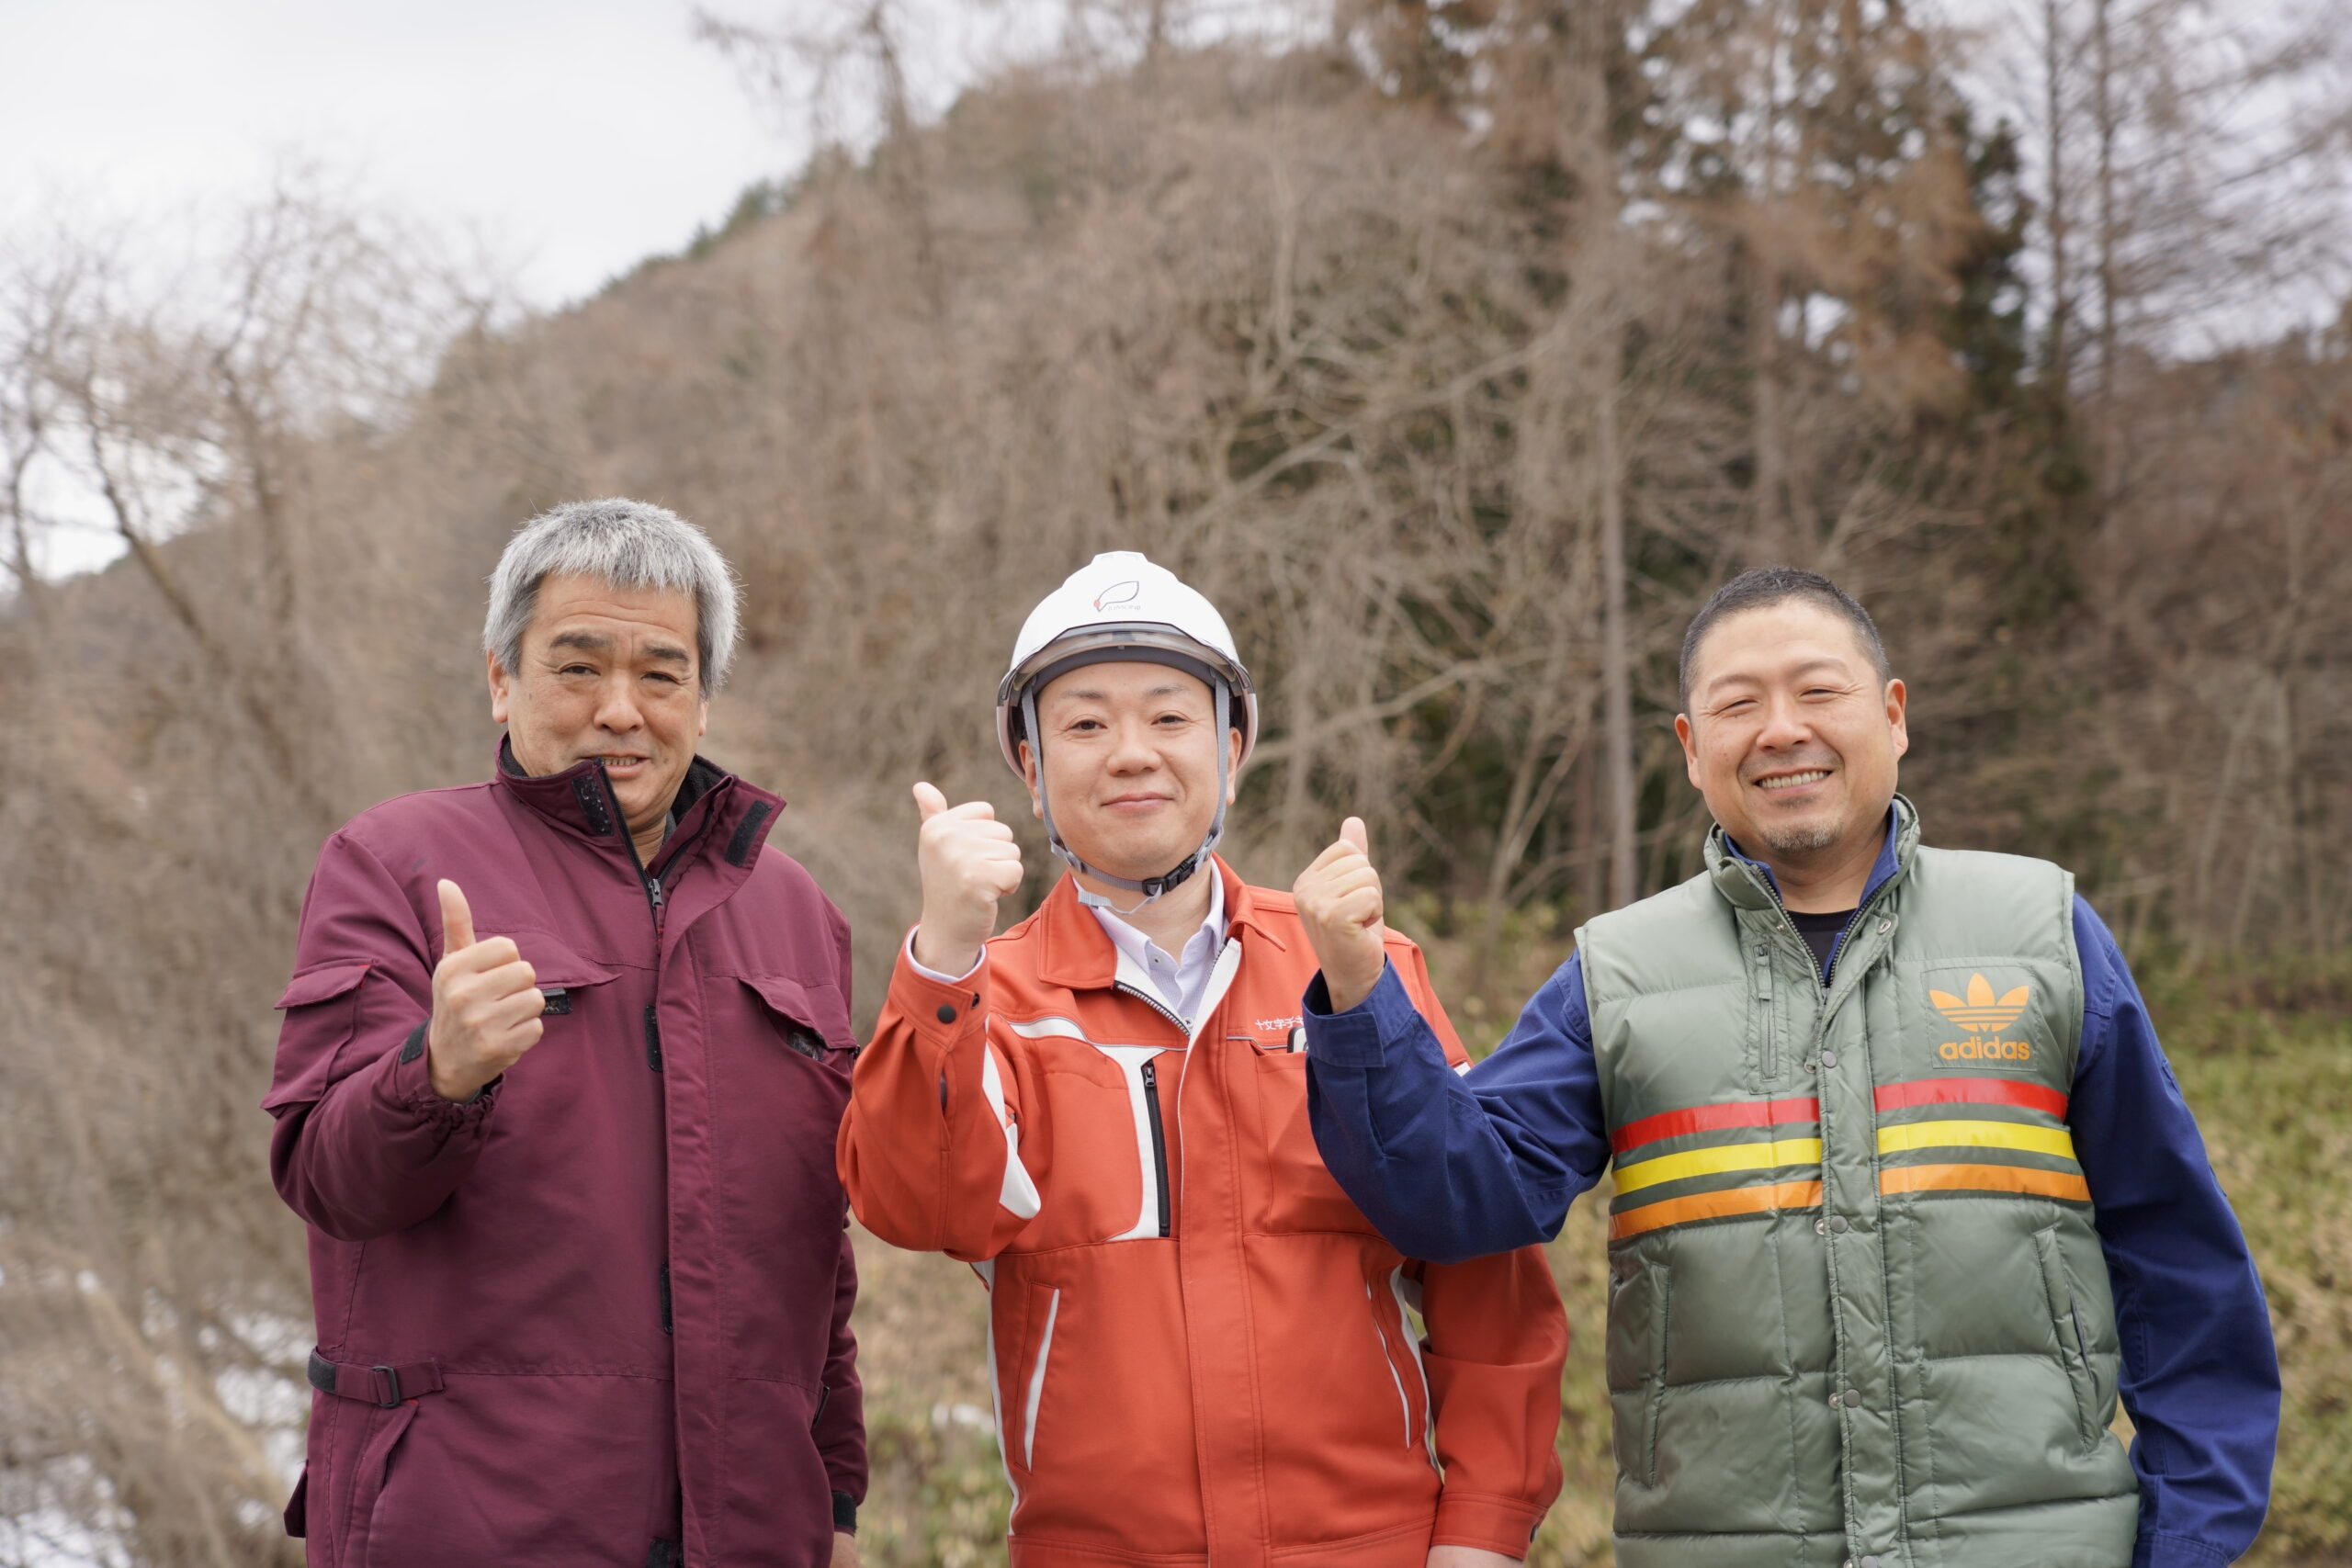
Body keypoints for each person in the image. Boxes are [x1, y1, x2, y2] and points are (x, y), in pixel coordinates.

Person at [1295, 568, 2280, 1568]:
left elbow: (2180, 1264)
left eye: (1817, 691)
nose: (1779, 730)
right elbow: (1458, 1200)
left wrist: (2188, 1541)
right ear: (1690, 748)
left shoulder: (2041, 934)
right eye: (1736, 704)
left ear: (1892, 717)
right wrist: (1359, 997)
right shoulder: (1617, 974)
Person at [837, 552, 1567, 1568]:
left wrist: (1484, 1532)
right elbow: (918, 1206)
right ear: (1031, 766)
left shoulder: (1358, 969)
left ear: (1231, 746)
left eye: (1171, 718)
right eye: (1085, 723)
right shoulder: (981, 997)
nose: (1131, 753)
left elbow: (1484, 1276)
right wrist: (943, 957)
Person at [264, 500, 865, 1568]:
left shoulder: (795, 910)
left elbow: (818, 1251)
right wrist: (435, 1074)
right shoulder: (392, 861)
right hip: (469, 1523)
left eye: (661, 674)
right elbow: (326, 1178)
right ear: (502, 679)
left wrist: (837, 1499)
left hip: (754, 1530)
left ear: (705, 700)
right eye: (578, 668)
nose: (621, 710)